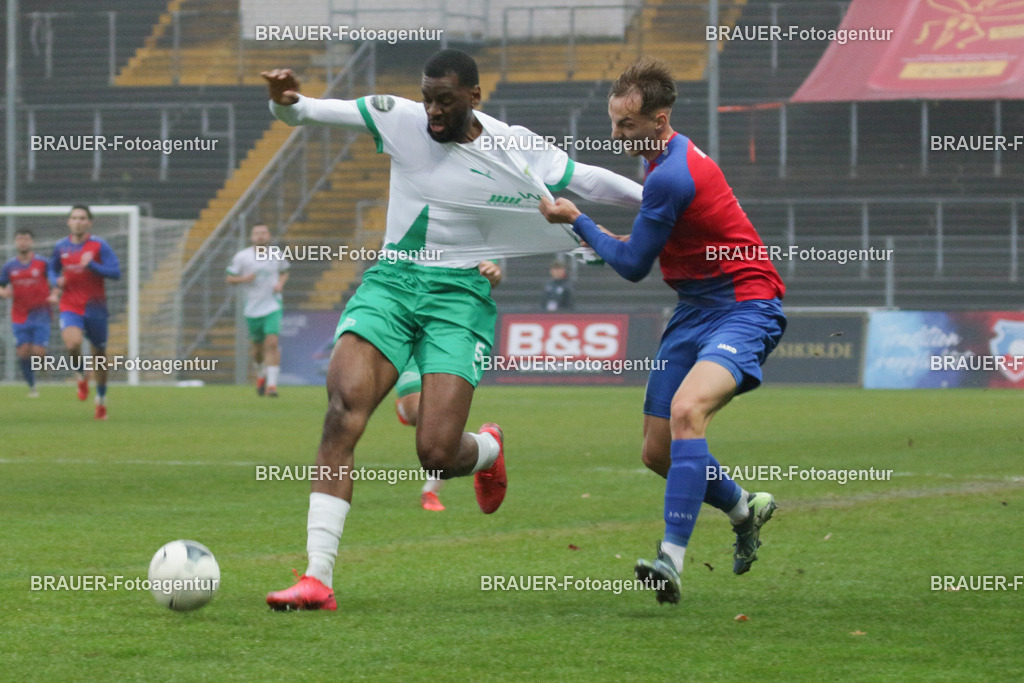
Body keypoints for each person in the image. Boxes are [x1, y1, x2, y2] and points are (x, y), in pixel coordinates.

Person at [260, 48, 643, 611]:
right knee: (343, 411)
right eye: (427, 99)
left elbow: (584, 179)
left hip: (459, 297)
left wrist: (660, 197)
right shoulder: (401, 119)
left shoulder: (514, 146)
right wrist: (284, 102)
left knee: (436, 454)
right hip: (391, 284)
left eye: (444, 102)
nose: (433, 113)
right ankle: (318, 577)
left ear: (473, 98)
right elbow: (308, 112)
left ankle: (488, 448)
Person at [540, 57, 786, 605]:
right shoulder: (662, 162)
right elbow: (640, 250)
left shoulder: (672, 174)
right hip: (695, 310)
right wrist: (598, 235)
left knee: (686, 413)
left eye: (627, 125)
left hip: (746, 304)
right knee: (657, 452)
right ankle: (746, 510)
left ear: (660, 119)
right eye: (613, 123)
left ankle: (670, 562)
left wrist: (577, 221)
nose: (617, 135)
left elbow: (632, 265)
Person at [394, 261, 504, 512]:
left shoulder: (474, 230)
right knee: (414, 411)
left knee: (439, 437)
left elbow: (491, 272)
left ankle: (430, 490)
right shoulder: (415, 228)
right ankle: (412, 411)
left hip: (449, 328)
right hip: (408, 321)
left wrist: (493, 273)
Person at [50, 204, 121, 420]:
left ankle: (101, 401)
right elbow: (52, 269)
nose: (78, 221)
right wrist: (55, 280)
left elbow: (116, 272)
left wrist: (94, 266)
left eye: (82, 218)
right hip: (70, 305)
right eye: (74, 218)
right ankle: (81, 375)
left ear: (89, 223)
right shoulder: (60, 247)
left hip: (96, 308)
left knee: (99, 357)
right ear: (68, 222)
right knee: (72, 344)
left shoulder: (99, 245)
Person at [226, 223, 289, 397]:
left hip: (273, 305)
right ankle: (261, 373)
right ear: (252, 237)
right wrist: (245, 279)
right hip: (253, 308)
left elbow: (285, 271)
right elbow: (229, 278)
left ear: (269, 235)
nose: (260, 236)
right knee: (257, 350)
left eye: (263, 232)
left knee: (272, 343)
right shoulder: (242, 257)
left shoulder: (277, 254)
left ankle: (272, 386)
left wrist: (280, 283)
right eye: (256, 233)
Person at [0, 229, 53, 397]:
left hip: (41, 313)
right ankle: (32, 386)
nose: (23, 242)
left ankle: (46, 370)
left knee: (38, 352)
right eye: (20, 239)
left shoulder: (43, 263)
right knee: (23, 351)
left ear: (32, 242)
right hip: (19, 314)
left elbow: (53, 278)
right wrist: (4, 293)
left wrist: (54, 292)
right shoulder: (9, 266)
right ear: (16, 242)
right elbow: (1, 285)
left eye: (26, 239)